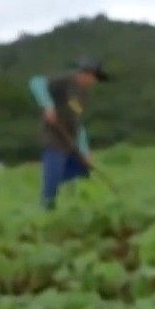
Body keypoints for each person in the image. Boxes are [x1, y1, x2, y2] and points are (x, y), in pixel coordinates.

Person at [28, 57, 109, 210]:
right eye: (94, 76)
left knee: (83, 172)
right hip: (54, 138)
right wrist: (48, 105)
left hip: (71, 140)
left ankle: (76, 207)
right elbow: (36, 82)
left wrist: (85, 151)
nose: (94, 81)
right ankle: (46, 211)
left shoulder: (83, 95)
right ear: (86, 73)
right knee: (53, 178)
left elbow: (78, 123)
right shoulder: (65, 81)